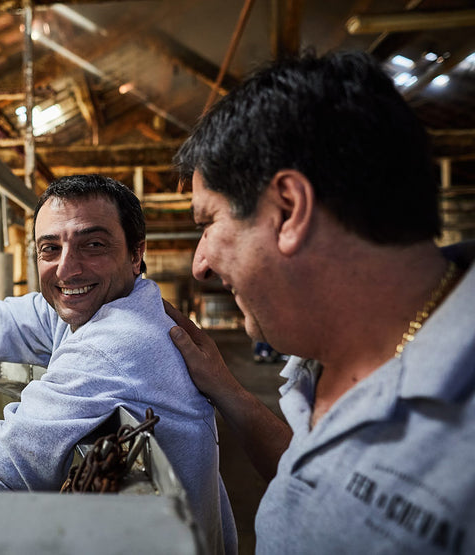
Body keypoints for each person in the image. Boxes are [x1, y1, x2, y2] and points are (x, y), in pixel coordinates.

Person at [167, 50, 475, 554]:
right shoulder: (322, 357)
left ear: (288, 210)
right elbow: (315, 477)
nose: (200, 265)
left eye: (208, 223)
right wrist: (230, 392)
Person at [0, 174, 237, 554]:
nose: (68, 269)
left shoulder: (119, 341)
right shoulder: (100, 305)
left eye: (94, 245)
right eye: (50, 249)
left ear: (136, 253)